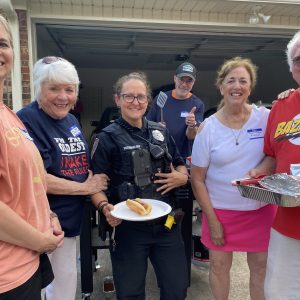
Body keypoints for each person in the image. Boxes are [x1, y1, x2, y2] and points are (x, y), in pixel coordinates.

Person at [90, 72, 189, 299]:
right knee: (130, 293)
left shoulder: (161, 132)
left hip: (167, 223)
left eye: (141, 97)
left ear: (148, 101)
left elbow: (181, 165)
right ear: (117, 99)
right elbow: (95, 186)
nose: (136, 102)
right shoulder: (105, 138)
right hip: (128, 229)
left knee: (177, 288)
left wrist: (182, 177)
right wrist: (105, 207)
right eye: (129, 96)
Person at [17, 56, 108, 300]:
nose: (63, 96)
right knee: (39, 289)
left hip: (69, 224)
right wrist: (86, 187)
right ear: (38, 88)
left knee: (65, 287)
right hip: (41, 224)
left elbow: (79, 166)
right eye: (54, 88)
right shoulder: (27, 120)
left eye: (70, 89)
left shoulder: (70, 120)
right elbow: (36, 178)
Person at [191, 57, 277, 300]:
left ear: (250, 87)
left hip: (260, 208)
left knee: (260, 268)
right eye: (231, 81)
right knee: (219, 268)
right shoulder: (208, 128)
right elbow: (197, 178)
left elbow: (276, 154)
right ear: (221, 87)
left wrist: (262, 167)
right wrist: (213, 220)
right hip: (219, 211)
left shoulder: (266, 118)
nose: (236, 86)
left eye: (243, 81)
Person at [0, 14, 64, 299]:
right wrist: (42, 241)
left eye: (2, 43)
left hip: (26, 264)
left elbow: (30, 180)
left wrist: (47, 215)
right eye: (54, 88)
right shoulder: (28, 116)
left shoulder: (10, 116)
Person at [249, 30, 300, 300]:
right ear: (292, 68)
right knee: (278, 292)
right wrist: (258, 173)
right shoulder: (281, 106)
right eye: (299, 60)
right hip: (288, 223)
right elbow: (272, 154)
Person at [147, 62, 204, 158]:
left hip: (183, 157)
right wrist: (156, 127)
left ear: (194, 82)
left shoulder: (197, 104)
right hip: (159, 155)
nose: (184, 84)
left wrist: (191, 125)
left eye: (189, 81)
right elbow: (146, 125)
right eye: (181, 79)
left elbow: (191, 136)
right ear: (175, 78)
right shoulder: (161, 98)